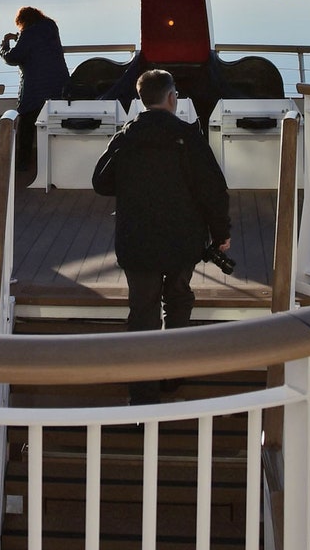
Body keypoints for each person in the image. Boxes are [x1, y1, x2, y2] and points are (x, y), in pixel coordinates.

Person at [92, 69, 231, 404]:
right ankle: (172, 374)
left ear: (142, 99)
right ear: (172, 98)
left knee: (143, 309)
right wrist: (221, 233)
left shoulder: (127, 137)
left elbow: (101, 183)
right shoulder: (188, 137)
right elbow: (213, 190)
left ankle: (141, 392)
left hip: (137, 241)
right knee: (179, 299)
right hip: (182, 240)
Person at [0, 6, 69, 174]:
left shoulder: (28, 33)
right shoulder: (51, 27)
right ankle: (58, 160)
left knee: (27, 124)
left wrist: (5, 43)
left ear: (22, 22)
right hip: (59, 85)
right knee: (55, 122)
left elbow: (13, 57)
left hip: (36, 89)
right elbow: (38, 47)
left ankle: (23, 164)